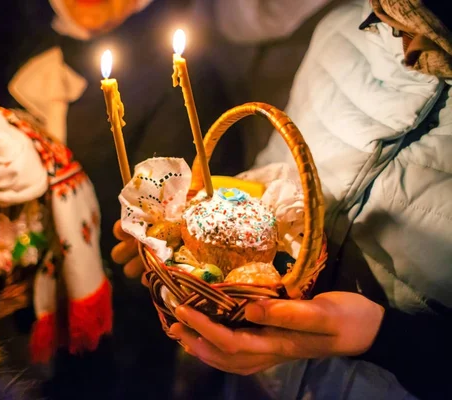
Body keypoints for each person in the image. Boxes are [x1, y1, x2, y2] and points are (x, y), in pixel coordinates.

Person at [112, 0, 452, 399]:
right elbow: (278, 178)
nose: (399, 33)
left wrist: (385, 336)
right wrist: (192, 219)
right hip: (259, 382)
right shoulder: (346, 29)